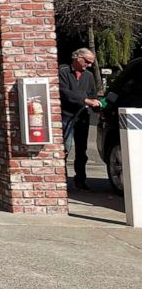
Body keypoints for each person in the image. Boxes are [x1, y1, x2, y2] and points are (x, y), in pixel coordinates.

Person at [58, 48, 100, 191]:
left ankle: (80, 179)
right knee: (65, 148)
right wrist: (86, 100)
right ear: (77, 58)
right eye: (87, 62)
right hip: (66, 115)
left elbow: (93, 94)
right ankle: (61, 180)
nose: (88, 65)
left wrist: (97, 105)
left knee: (82, 150)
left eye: (90, 63)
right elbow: (65, 93)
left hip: (82, 116)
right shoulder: (63, 72)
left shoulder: (88, 76)